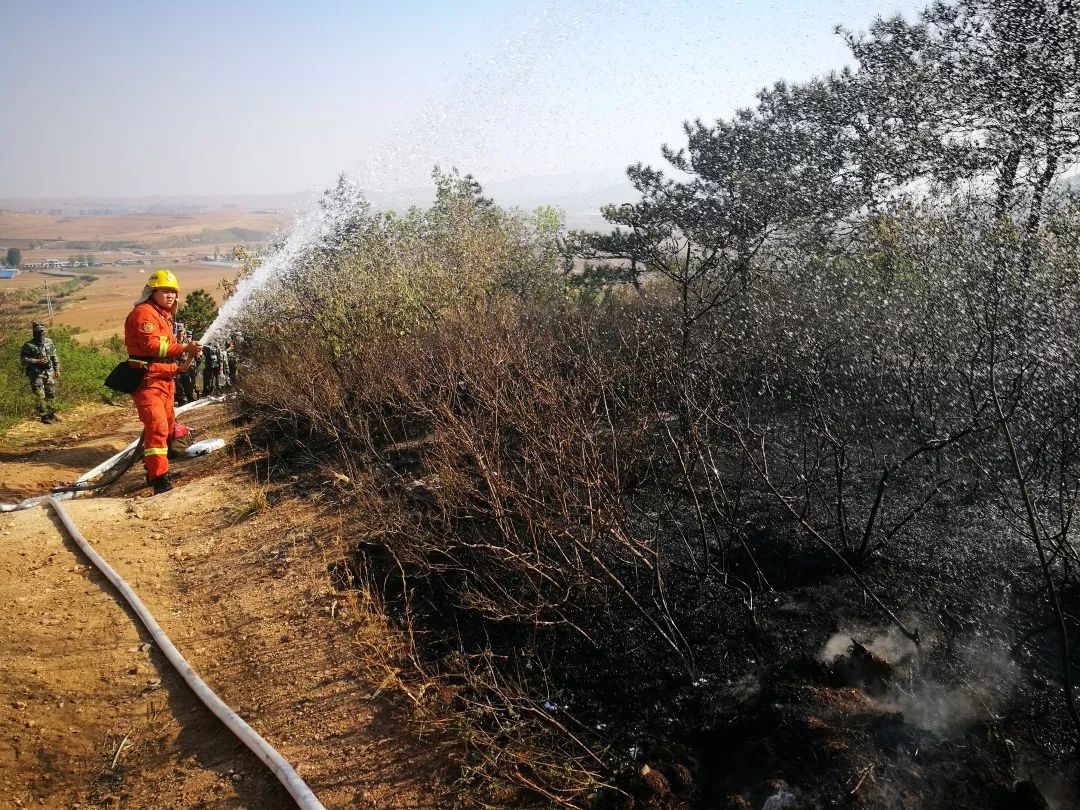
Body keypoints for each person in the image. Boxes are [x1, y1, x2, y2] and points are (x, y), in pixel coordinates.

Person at [124, 269, 201, 494]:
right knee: (156, 427)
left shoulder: (163, 316)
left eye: (173, 292)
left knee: (166, 429)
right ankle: (159, 479)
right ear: (152, 291)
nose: (170, 296)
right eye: (165, 291)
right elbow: (152, 347)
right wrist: (185, 347)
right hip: (148, 382)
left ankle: (155, 468)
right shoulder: (144, 314)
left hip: (165, 378)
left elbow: (168, 351)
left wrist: (183, 361)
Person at [20, 321, 60, 423]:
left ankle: (52, 415)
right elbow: (23, 360)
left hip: (49, 372)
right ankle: (44, 416)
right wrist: (37, 361)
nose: (40, 333)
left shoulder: (49, 342)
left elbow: (54, 357)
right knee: (40, 395)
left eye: (42, 331)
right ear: (34, 332)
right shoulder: (28, 345)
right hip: (35, 373)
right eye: (38, 331)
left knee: (51, 393)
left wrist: (57, 369)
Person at [174, 329, 200, 406]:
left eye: (181, 331)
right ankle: (182, 400)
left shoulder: (188, 341)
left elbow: (194, 351)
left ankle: (190, 399)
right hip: (177, 365)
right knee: (178, 384)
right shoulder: (173, 341)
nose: (180, 333)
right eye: (178, 331)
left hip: (187, 365)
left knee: (188, 384)